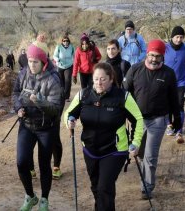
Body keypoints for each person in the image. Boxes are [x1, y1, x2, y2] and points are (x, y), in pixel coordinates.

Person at [63, 62, 143, 211]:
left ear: (111, 79)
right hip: (90, 150)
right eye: (96, 79)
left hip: (115, 150)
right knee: (96, 187)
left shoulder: (123, 97)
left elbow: (138, 119)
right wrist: (70, 121)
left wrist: (135, 141)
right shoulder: (84, 95)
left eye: (103, 79)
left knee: (104, 187)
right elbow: (69, 113)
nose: (99, 83)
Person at [123, 39, 182, 200]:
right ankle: (146, 171)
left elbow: (173, 100)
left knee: (150, 156)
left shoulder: (168, 74)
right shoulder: (135, 70)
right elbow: (124, 95)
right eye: (151, 55)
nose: (154, 59)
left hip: (158, 120)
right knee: (140, 153)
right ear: (147, 54)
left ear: (163, 56)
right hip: (138, 120)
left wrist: (176, 119)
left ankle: (147, 187)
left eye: (158, 56)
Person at [12, 35, 63, 211]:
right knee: (21, 162)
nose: (31, 65)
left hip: (46, 128)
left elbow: (56, 109)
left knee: (44, 165)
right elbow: (16, 92)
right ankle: (30, 196)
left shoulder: (53, 79)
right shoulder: (24, 72)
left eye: (35, 62)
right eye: (29, 61)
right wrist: (18, 107)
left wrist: (38, 101)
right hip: (26, 124)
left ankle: (44, 200)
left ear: (43, 62)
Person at [164, 26, 185, 144]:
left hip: (181, 82)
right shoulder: (165, 48)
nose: (179, 39)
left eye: (181, 37)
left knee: (179, 106)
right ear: (172, 37)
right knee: (167, 106)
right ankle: (169, 125)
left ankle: (179, 132)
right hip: (166, 82)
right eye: (177, 37)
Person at [53, 34, 75, 102]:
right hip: (60, 66)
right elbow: (54, 56)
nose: (65, 42)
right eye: (64, 41)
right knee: (60, 81)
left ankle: (67, 97)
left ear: (69, 41)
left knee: (68, 81)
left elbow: (74, 56)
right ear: (62, 41)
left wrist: (75, 62)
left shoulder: (71, 47)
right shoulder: (58, 47)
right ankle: (61, 95)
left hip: (69, 65)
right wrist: (57, 60)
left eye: (67, 41)